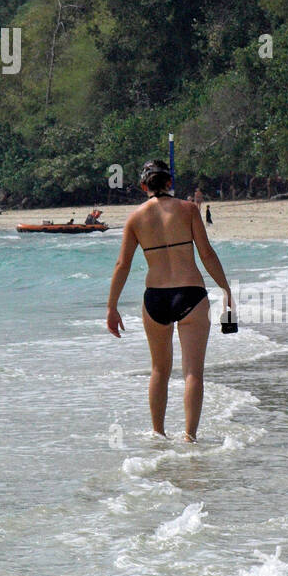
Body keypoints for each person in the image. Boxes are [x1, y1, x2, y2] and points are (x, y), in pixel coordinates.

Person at [105, 158, 234, 443]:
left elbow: (121, 265)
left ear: (143, 186)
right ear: (169, 182)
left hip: (155, 298)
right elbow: (207, 254)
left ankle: (158, 434)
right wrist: (226, 289)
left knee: (159, 370)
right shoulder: (188, 210)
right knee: (193, 373)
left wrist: (112, 307)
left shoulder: (136, 218)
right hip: (190, 294)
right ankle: (189, 437)